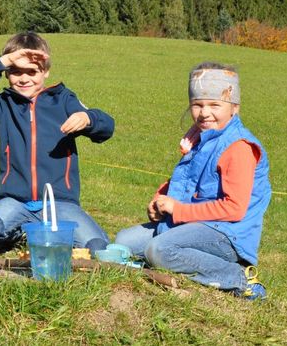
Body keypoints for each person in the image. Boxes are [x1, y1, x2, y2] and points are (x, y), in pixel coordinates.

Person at [114, 62, 271, 300]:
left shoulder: (238, 147)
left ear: (234, 108)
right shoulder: (202, 136)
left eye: (214, 105)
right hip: (193, 221)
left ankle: (238, 277)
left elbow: (234, 209)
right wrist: (160, 198)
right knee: (123, 243)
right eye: (197, 105)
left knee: (158, 250)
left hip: (228, 233)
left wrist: (178, 210)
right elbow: (188, 180)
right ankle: (183, 259)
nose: (204, 113)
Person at [0, 31, 115, 253]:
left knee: (97, 247)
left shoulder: (62, 100)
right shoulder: (2, 107)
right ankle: (25, 233)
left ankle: (49, 229)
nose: (24, 79)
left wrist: (87, 118)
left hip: (60, 203)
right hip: (16, 202)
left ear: (45, 72)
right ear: (6, 74)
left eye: (32, 72)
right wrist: (4, 60)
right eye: (15, 72)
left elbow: (106, 127)